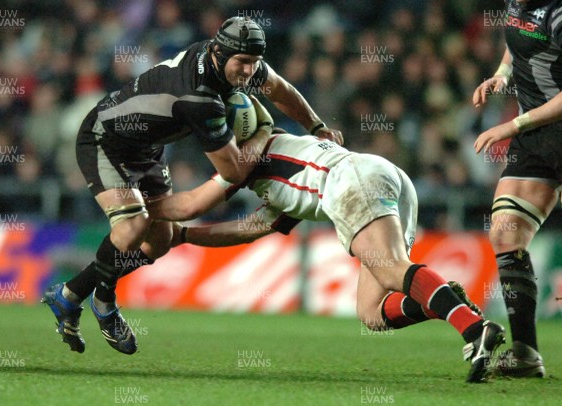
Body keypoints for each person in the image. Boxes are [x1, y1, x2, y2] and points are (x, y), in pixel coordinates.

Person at [41, 16, 343, 355]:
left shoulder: (238, 62)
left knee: (160, 241)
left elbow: (281, 90)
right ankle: (104, 301)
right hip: (105, 139)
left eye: (254, 63)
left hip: (147, 149)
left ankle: (68, 296)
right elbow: (233, 171)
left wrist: (316, 127)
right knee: (133, 228)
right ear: (217, 52)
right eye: (242, 62)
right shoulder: (199, 98)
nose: (248, 71)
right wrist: (263, 131)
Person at [152, 126, 506, 383]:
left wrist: (144, 211)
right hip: (376, 174)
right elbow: (252, 228)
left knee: (392, 270)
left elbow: (193, 202)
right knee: (371, 312)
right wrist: (186, 237)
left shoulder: (246, 159)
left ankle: (474, 328)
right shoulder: (279, 155)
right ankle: (446, 300)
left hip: (350, 182)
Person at [472, 0, 562, 378]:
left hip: (534, 125)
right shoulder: (516, 4)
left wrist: (510, 127)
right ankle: (525, 353)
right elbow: (517, 41)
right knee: (506, 233)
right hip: (538, 135)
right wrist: (503, 74)